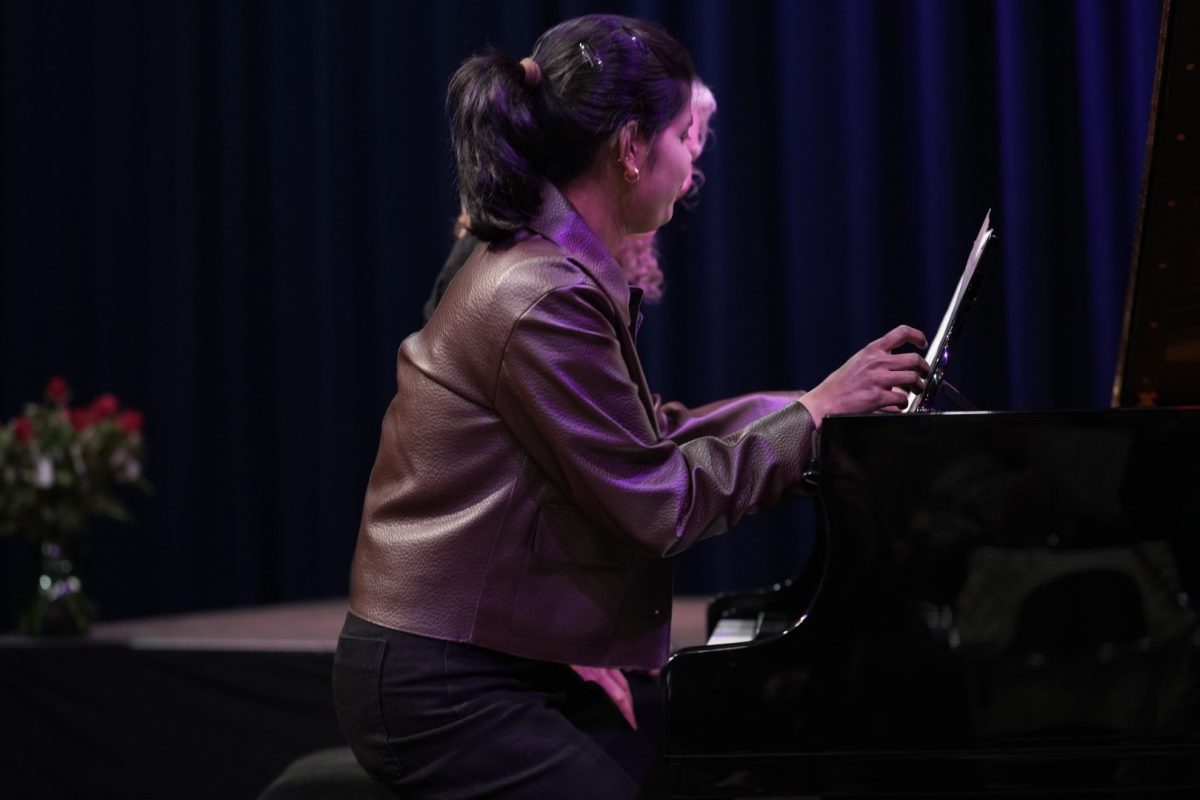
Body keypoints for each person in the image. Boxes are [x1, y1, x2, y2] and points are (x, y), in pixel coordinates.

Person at [334, 13, 928, 799]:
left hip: (490, 658)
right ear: (631, 148)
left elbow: (651, 435)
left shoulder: (553, 270)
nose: (693, 161)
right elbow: (658, 502)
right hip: (439, 683)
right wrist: (812, 417)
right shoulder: (541, 293)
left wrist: (813, 406)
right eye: (684, 135)